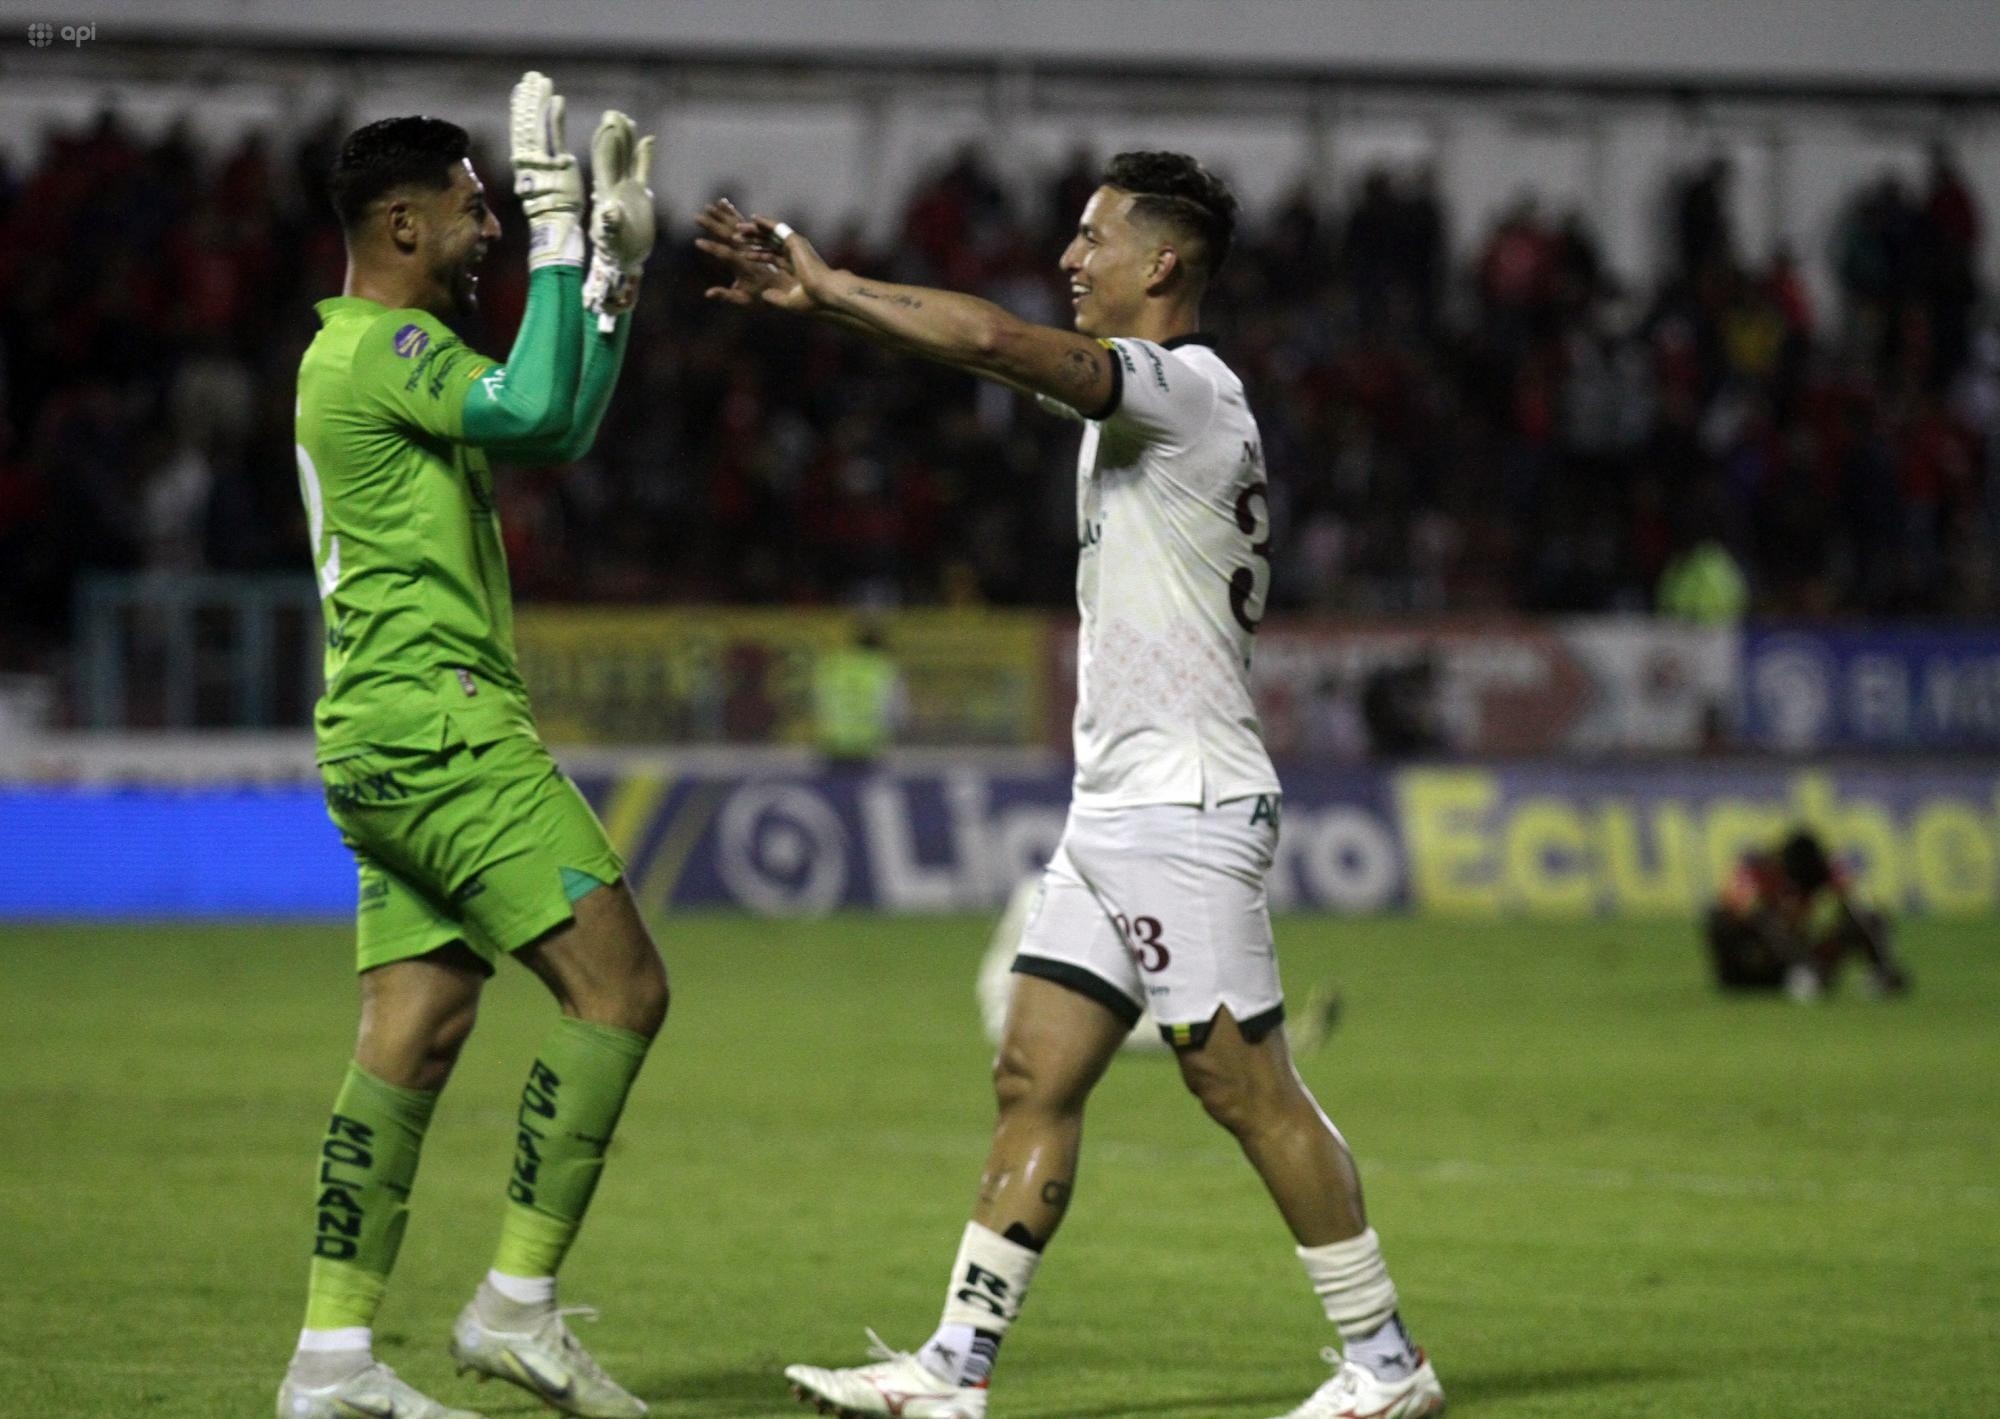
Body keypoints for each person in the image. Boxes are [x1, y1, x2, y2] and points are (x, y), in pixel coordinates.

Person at [698, 153, 1444, 1419]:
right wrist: (839, 311)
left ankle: (1384, 1363)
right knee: (1032, 1073)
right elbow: (994, 350)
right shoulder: (1144, 403)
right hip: (1113, 806)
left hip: (1184, 801)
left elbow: (998, 339)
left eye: (1090, 238)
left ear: (1160, 264)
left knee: (1239, 1086)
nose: (1067, 258)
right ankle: (953, 1369)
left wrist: (831, 290)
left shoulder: (1184, 389)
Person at [278, 76, 663, 1419]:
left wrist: (608, 277)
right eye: (475, 203)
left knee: (414, 1029)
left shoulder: (364, 358)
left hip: (376, 741)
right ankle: (518, 1305)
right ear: (399, 224)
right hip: (443, 732)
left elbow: (553, 417)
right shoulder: (385, 353)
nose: (491, 219)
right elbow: (526, 405)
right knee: (620, 992)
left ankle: (329, 1360)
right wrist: (568, 247)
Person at [1707, 829, 1911, 1000]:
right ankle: (1805, 971)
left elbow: (1863, 909)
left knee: (1865, 917)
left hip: (1796, 948)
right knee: (1752, 919)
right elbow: (1734, 906)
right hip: (1753, 959)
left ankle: (1883, 973)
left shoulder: (1824, 869)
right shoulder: (1759, 868)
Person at [811, 619, 907, 767]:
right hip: (869, 746)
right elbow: (896, 709)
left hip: (832, 743)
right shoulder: (883, 668)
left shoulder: (832, 665)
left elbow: (817, 701)